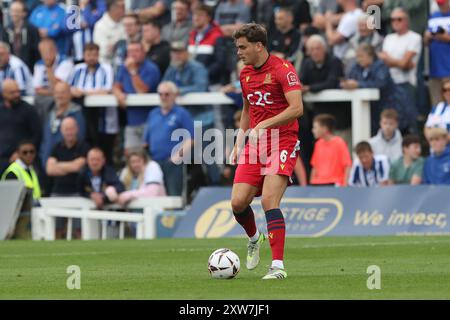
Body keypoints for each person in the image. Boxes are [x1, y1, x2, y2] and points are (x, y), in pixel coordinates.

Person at [230, 23, 303, 279]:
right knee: (238, 202)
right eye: (237, 47)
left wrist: (265, 124)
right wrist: (239, 142)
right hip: (256, 142)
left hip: (283, 139)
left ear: (258, 45)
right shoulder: (245, 74)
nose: (238, 52)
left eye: (242, 47)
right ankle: (254, 238)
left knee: (269, 201)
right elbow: (247, 109)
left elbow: (297, 108)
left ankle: (278, 267)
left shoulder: (283, 70)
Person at [342, 43, 415, 134]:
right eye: (357, 56)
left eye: (361, 56)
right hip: (371, 109)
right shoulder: (356, 68)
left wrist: (358, 85)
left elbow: (380, 83)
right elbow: (350, 78)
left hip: (392, 104)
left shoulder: (381, 66)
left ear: (370, 56)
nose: (359, 59)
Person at [68, 43, 117, 164]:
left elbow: (107, 90)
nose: (91, 57)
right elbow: (69, 88)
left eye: (94, 54)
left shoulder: (106, 68)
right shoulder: (77, 69)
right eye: (88, 54)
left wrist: (84, 93)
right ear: (84, 55)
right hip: (83, 116)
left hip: (102, 117)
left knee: (104, 151)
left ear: (98, 55)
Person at [143, 81, 194, 196]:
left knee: (174, 195)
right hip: (154, 162)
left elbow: (191, 139)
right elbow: (146, 141)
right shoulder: (153, 114)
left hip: (173, 163)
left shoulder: (182, 113)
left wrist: (177, 156)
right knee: (154, 194)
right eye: (160, 94)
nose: (163, 97)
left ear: (174, 95)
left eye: (167, 94)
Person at [112, 41, 161, 154]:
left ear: (144, 52)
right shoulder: (124, 68)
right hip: (132, 121)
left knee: (149, 155)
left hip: (149, 121)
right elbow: (116, 86)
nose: (133, 54)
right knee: (131, 156)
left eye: (136, 51)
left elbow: (142, 91)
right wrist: (118, 94)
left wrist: (133, 71)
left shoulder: (151, 68)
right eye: (130, 52)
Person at [378, 8, 422, 109]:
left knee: (408, 117)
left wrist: (390, 60)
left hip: (406, 83)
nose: (395, 22)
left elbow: (403, 63)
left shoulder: (415, 37)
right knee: (390, 116)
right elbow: (400, 63)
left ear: (407, 20)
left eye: (399, 19)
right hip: (389, 82)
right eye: (392, 19)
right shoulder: (389, 38)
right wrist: (402, 63)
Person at [1, 140, 41, 239]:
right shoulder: (13, 171)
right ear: (18, 154)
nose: (29, 155)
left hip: (32, 210)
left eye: (32, 152)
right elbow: (9, 198)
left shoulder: (31, 169)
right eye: (25, 152)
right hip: (19, 214)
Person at [0, 79, 41, 175]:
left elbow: (37, 135)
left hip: (22, 159)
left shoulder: (29, 110)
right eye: (12, 92)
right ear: (4, 94)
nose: (17, 95)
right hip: (2, 159)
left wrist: (21, 153)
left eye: (18, 91)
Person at [40, 82, 86, 167]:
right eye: (57, 93)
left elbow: (79, 138)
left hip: (65, 165)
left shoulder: (77, 113)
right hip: (46, 164)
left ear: (70, 94)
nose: (59, 96)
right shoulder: (49, 112)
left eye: (63, 92)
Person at [46, 117, 89, 196]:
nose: (69, 132)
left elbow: (77, 167)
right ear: (61, 131)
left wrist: (57, 165)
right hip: (57, 192)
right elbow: (50, 170)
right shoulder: (57, 147)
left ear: (77, 129)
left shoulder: (84, 147)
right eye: (66, 129)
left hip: (77, 192)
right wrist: (71, 166)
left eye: (71, 129)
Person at [310, 114, 352, 186]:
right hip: (318, 184)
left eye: (315, 128)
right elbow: (315, 167)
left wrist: (345, 186)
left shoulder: (339, 142)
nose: (313, 130)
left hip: (334, 184)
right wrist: (311, 184)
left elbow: (347, 166)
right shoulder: (318, 144)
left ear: (325, 129)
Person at [1, 0, 40, 71]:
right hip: (11, 69)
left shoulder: (32, 29)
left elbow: (36, 52)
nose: (14, 14)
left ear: (24, 13)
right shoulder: (6, 30)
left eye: (17, 11)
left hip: (30, 68)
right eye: (12, 11)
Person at [425, 0, 450, 107]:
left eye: (443, 2)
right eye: (439, 3)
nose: (441, 5)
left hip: (448, 68)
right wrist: (427, 36)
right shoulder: (433, 16)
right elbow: (425, 41)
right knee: (437, 107)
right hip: (434, 70)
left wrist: (446, 38)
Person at [93, 0, 126, 65]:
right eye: (122, 7)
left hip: (125, 62)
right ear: (112, 9)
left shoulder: (126, 21)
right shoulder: (100, 26)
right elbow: (103, 51)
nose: (125, 9)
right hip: (107, 64)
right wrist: (117, 44)